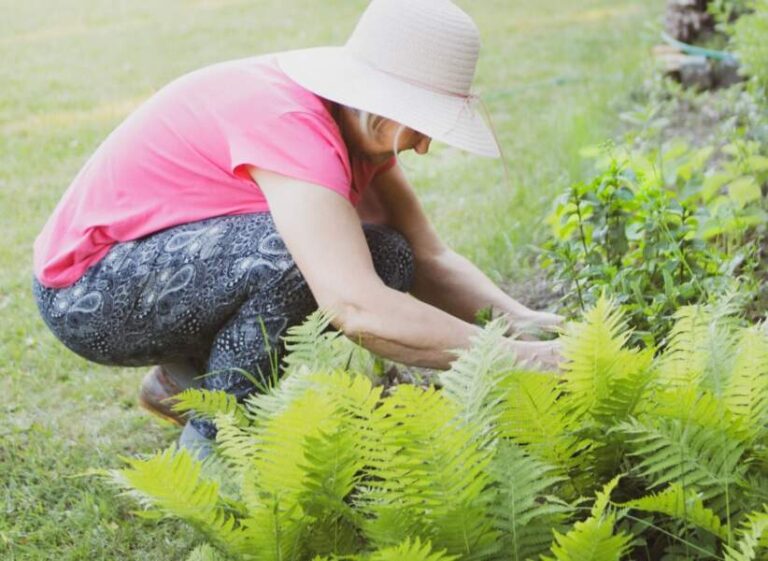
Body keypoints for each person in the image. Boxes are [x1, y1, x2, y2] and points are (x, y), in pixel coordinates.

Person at [32, 0, 563, 451]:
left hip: (158, 268)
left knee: (389, 255)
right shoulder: (292, 127)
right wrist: (521, 360)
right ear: (382, 104)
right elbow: (355, 306)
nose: (425, 145)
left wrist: (526, 324)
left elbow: (429, 257)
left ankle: (183, 380)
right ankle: (217, 445)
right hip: (87, 291)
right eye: (424, 123)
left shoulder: (357, 129)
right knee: (293, 263)